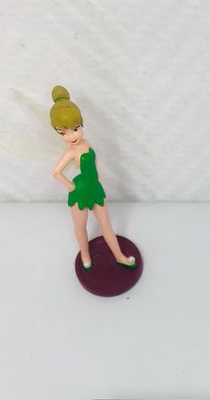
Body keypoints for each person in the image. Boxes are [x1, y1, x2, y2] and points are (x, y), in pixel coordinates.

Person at [49, 86, 135, 269]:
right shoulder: (70, 152)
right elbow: (56, 172)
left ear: (81, 124)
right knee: (81, 226)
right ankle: (85, 255)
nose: (71, 136)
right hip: (80, 193)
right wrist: (71, 187)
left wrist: (98, 180)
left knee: (106, 225)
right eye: (63, 132)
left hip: (95, 188)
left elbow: (93, 164)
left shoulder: (86, 143)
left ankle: (119, 256)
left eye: (75, 129)